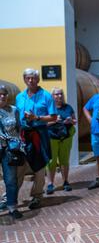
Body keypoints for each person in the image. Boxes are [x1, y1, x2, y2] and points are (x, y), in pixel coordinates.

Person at [15, 68, 57, 210]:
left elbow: (54, 117)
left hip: (39, 134)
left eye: (33, 78)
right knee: (19, 166)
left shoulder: (46, 96)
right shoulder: (20, 97)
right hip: (23, 135)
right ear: (24, 79)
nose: (31, 80)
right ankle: (10, 196)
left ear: (38, 80)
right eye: (28, 78)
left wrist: (37, 118)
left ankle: (37, 196)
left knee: (39, 167)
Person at [46, 87, 77, 194]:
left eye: (60, 94)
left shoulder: (68, 107)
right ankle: (50, 184)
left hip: (65, 137)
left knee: (64, 160)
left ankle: (65, 182)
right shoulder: (48, 108)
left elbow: (75, 121)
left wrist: (70, 121)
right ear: (52, 96)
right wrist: (54, 121)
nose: (59, 96)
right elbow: (43, 124)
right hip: (52, 137)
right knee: (51, 162)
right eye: (56, 94)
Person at [0, 85, 24, 219]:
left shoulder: (14, 110)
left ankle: (12, 207)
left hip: (9, 149)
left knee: (10, 180)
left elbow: (20, 128)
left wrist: (20, 142)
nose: (2, 96)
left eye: (4, 94)